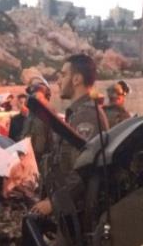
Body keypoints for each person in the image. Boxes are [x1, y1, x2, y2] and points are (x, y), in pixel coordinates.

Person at [31, 54, 107, 218]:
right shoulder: (77, 114)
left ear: (77, 79)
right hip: (69, 210)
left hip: (79, 213)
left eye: (64, 75)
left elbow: (85, 169)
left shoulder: (87, 116)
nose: (59, 81)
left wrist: (54, 202)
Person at [22, 77, 54, 176]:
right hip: (28, 162)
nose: (33, 98)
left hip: (42, 165)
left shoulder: (50, 117)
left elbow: (52, 145)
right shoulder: (29, 117)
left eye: (37, 95)